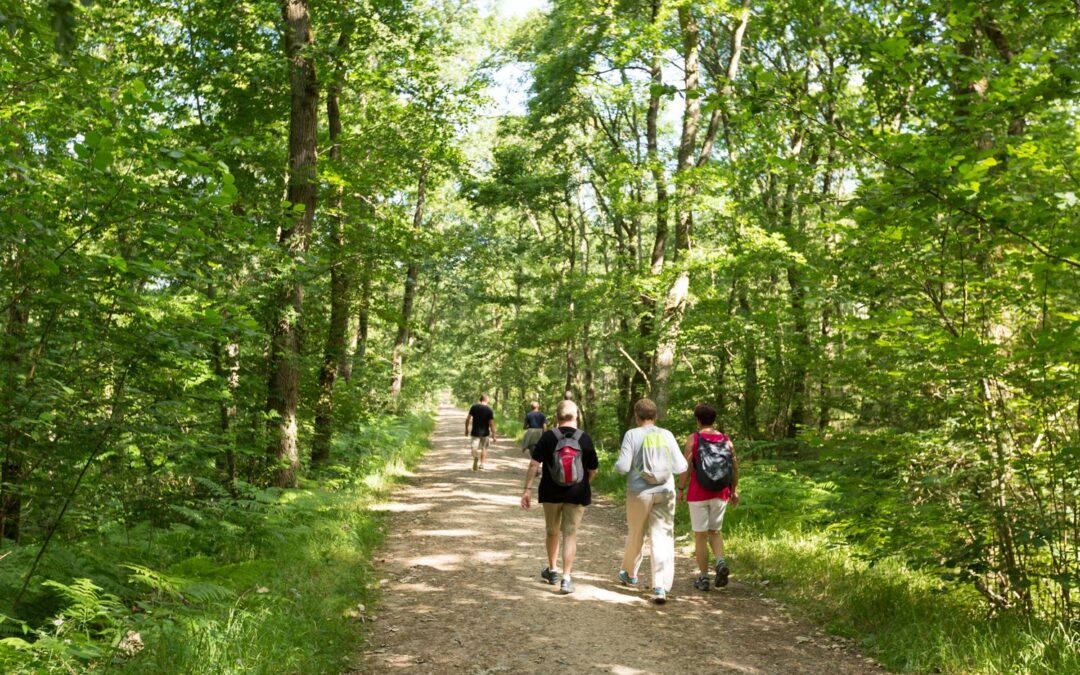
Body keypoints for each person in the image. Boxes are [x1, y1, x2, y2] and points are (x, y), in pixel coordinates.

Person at [520, 399, 598, 594]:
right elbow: (593, 469)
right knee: (570, 534)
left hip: (550, 492)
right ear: (576, 416)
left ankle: (553, 570)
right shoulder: (584, 438)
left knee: (552, 531)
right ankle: (566, 578)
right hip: (577, 493)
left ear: (556, 417)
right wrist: (584, 484)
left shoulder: (548, 437)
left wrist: (527, 489)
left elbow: (533, 464)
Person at [615, 398, 687, 604]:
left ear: (637, 416)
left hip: (639, 493)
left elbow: (622, 467)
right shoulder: (667, 434)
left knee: (636, 533)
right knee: (663, 537)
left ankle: (630, 574)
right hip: (665, 491)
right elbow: (681, 466)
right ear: (655, 417)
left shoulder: (632, 434)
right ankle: (660, 587)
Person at [677, 403, 739, 591]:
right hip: (721, 492)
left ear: (697, 419)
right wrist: (734, 490)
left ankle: (703, 578)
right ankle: (720, 562)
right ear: (714, 419)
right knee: (715, 532)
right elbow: (734, 466)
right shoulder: (726, 440)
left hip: (698, 493)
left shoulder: (693, 439)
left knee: (700, 535)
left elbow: (686, 467)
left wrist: (680, 490)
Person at [465, 394, 496, 471]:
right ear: (487, 400)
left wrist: (466, 429)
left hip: (475, 432)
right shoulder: (489, 410)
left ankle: (475, 457)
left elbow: (468, 419)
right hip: (485, 433)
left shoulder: (474, 407)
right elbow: (491, 423)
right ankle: (482, 464)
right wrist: (494, 435)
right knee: (484, 449)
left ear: (480, 399)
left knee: (473, 448)